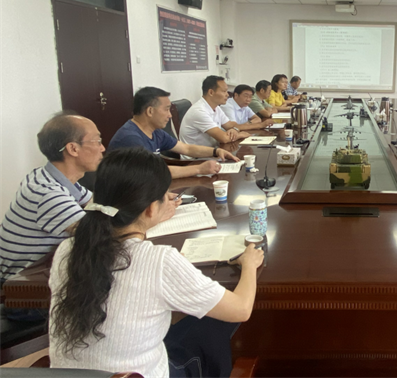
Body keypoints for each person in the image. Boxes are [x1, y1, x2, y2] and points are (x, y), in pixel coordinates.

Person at [49, 148, 264, 377]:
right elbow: (241, 309)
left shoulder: (68, 250)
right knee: (212, 324)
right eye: (165, 195)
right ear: (151, 208)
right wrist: (249, 264)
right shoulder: (159, 261)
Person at [0, 114, 103, 282]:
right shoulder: (47, 193)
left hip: (43, 271)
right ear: (73, 149)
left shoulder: (48, 176)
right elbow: (99, 236)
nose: (102, 148)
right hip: (22, 286)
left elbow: (98, 204)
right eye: (97, 141)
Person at [109, 87, 239, 178]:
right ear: (150, 111)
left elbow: (186, 149)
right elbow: (153, 173)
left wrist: (216, 151)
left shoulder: (156, 132)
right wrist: (199, 169)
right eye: (166, 109)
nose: (170, 115)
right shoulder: (130, 138)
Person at [179, 76, 250, 152]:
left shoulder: (216, 107)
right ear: (211, 92)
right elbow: (224, 138)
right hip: (197, 157)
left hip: (213, 151)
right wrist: (239, 135)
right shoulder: (199, 111)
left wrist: (234, 130)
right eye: (224, 91)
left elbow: (229, 125)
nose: (227, 95)